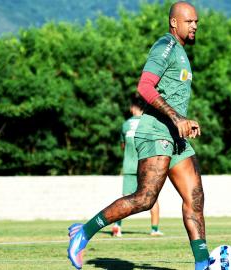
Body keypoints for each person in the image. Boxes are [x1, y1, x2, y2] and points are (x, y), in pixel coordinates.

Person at [67, 2, 210, 269]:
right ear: (174, 23)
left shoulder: (181, 52)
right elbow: (144, 86)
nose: (195, 26)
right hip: (156, 132)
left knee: (196, 198)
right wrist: (177, 118)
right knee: (145, 199)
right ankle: (83, 233)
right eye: (189, 21)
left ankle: (203, 264)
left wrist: (184, 122)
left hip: (176, 137)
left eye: (196, 22)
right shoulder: (165, 46)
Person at [111, 96, 163, 237]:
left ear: (132, 108)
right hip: (147, 167)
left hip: (129, 166)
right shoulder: (150, 124)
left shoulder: (126, 125)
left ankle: (117, 227)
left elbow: (123, 146)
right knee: (152, 197)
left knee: (126, 198)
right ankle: (154, 229)